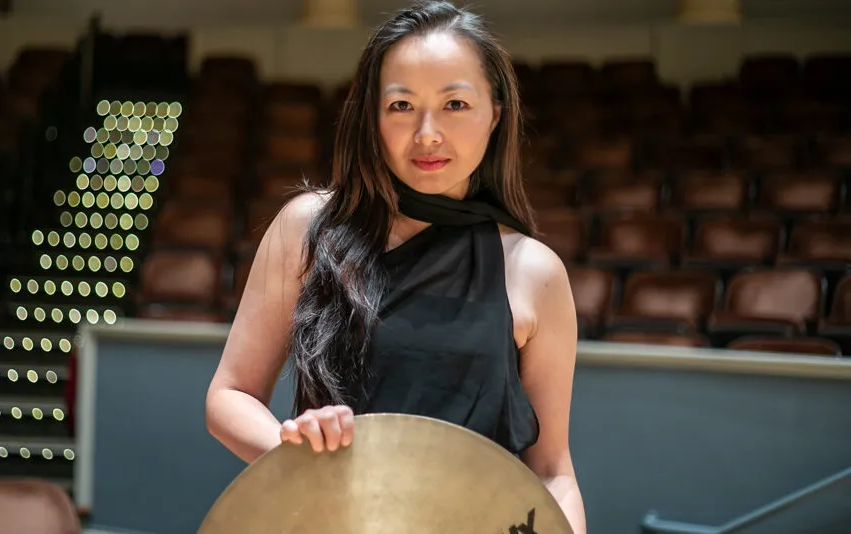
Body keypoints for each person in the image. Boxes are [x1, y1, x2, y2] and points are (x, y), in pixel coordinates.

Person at [205, 1, 586, 531]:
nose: (427, 133)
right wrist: (296, 450)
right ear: (373, 116)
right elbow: (229, 396)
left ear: (494, 115)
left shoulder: (534, 271)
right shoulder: (308, 228)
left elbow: (551, 471)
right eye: (402, 105)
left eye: (455, 104)